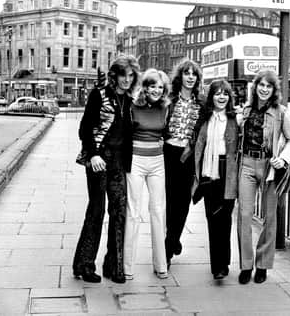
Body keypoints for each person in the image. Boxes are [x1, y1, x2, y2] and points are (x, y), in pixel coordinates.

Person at [72, 55, 139, 284]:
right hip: (99, 159)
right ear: (114, 75)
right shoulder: (99, 95)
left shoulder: (130, 101)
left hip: (119, 162)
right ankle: (84, 264)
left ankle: (114, 265)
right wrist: (93, 155)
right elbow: (85, 128)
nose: (127, 80)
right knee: (97, 211)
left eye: (131, 76)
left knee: (119, 212)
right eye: (123, 75)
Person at [237, 70, 290, 285]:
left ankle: (262, 264)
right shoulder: (245, 110)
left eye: (268, 86)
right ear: (255, 87)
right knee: (244, 215)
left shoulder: (281, 112)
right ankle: (246, 265)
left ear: (274, 90)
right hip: (246, 164)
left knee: (270, 218)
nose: (264, 89)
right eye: (261, 85)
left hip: (270, 168)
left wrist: (283, 159)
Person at [124, 69, 171, 280]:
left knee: (158, 211)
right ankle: (127, 266)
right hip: (135, 160)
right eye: (153, 86)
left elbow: (167, 133)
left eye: (160, 87)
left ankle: (161, 264)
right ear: (145, 87)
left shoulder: (165, 108)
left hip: (157, 161)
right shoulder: (133, 106)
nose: (157, 91)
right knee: (133, 212)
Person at [192, 79, 239, 280]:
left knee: (225, 218)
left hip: (228, 172)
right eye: (218, 93)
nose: (222, 97)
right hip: (207, 173)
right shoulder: (204, 118)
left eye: (225, 94)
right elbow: (196, 142)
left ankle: (224, 263)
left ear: (229, 98)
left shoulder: (235, 119)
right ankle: (216, 266)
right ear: (211, 96)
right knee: (212, 218)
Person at [164, 59, 206, 267]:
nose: (190, 77)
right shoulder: (169, 99)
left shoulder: (202, 103)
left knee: (183, 201)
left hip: (189, 156)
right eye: (187, 73)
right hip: (168, 153)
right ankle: (172, 240)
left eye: (194, 74)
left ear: (197, 79)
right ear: (180, 76)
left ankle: (170, 241)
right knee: (170, 201)